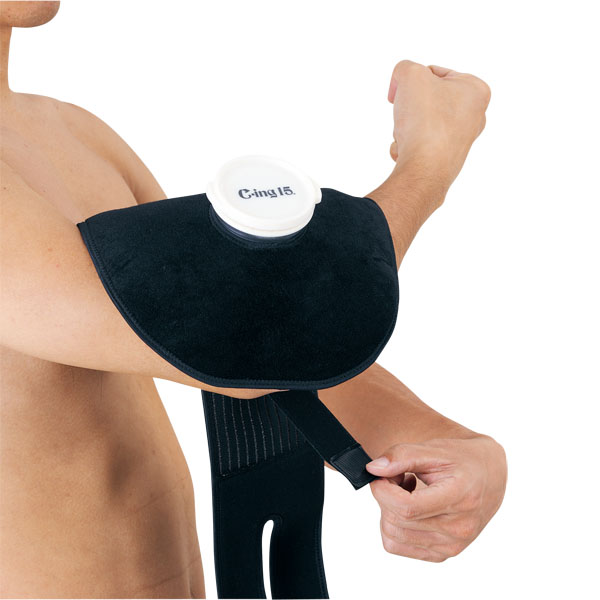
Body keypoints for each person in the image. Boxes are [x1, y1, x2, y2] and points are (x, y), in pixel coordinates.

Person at [0, 2, 507, 598]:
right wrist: (429, 161)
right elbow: (257, 305)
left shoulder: (75, 135)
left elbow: (242, 340)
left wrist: (455, 447)